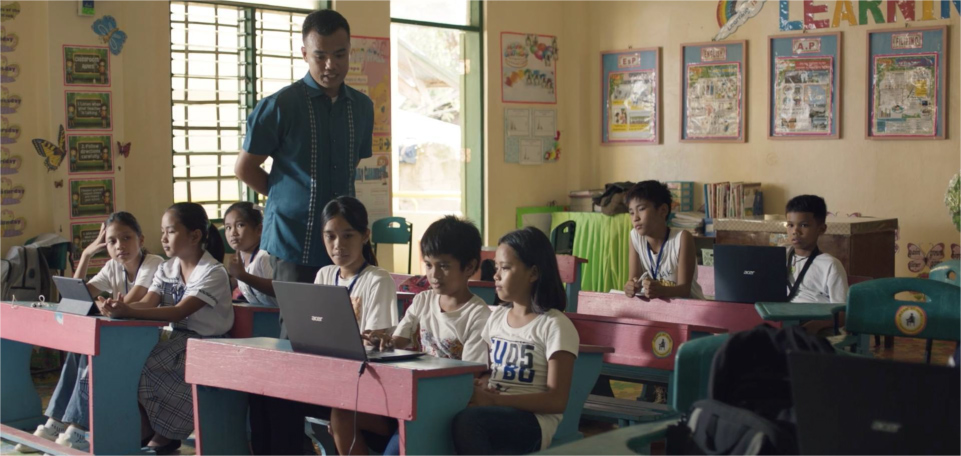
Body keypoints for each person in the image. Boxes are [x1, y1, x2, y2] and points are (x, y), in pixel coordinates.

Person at [236, 8, 374, 290]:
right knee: (299, 328)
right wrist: (289, 195)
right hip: (294, 240)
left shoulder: (362, 107)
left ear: (350, 51)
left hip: (346, 241)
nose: (330, 65)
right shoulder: (279, 106)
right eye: (319, 56)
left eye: (339, 55)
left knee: (352, 321)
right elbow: (245, 168)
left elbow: (352, 161)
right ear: (304, 54)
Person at [330, 216, 491, 455]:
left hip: (439, 410)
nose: (434, 275)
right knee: (341, 415)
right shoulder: (423, 300)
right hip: (405, 397)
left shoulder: (478, 315)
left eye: (444, 266)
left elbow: (469, 376)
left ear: (469, 267)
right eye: (428, 265)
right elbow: (399, 341)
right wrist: (382, 340)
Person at [16, 213, 163, 453]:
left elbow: (132, 301)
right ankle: (54, 423)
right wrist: (86, 255)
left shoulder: (153, 262)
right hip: (121, 338)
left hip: (148, 340)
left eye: (127, 238)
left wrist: (112, 307)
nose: (120, 246)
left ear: (141, 239)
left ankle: (76, 427)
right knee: (81, 348)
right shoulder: (112, 266)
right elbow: (74, 295)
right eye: (112, 241)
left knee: (93, 351)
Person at [98, 202, 233, 455]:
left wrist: (129, 311)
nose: (163, 238)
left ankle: (162, 433)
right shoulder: (166, 268)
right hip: (175, 339)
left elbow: (179, 311)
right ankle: (149, 430)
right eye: (162, 231)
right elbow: (148, 302)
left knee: (145, 366)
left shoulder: (212, 271)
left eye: (170, 231)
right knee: (124, 361)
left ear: (194, 235)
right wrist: (118, 307)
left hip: (206, 343)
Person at [452, 227, 579, 454]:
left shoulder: (555, 325)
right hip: (494, 410)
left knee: (470, 422)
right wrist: (480, 384)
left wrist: (494, 402)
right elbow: (490, 370)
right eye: (496, 267)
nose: (496, 275)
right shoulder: (497, 318)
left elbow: (557, 400)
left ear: (533, 273)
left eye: (506, 268)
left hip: (533, 421)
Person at [623, 180, 704, 300]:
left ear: (663, 210)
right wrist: (630, 287)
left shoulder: (682, 238)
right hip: (659, 309)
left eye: (641, 209)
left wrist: (661, 290)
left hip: (690, 310)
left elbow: (685, 290)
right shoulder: (635, 237)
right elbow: (634, 279)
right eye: (631, 212)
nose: (635, 218)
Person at [785, 195, 848, 304]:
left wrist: (812, 322)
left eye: (804, 225)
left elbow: (842, 313)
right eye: (790, 225)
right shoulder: (779, 256)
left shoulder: (830, 265)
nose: (795, 231)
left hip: (811, 318)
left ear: (821, 229)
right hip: (777, 316)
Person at [223, 202, 275, 306]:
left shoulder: (265, 256)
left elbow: (278, 290)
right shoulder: (240, 257)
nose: (233, 233)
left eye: (240, 225)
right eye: (228, 227)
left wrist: (242, 275)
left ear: (259, 229)